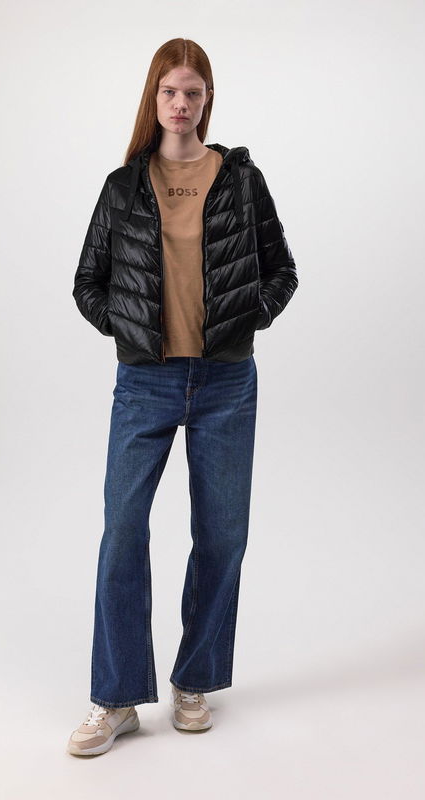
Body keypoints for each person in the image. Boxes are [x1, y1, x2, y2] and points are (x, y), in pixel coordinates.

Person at [67, 37, 297, 756]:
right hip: (146, 381)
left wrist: (249, 316)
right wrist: (129, 328)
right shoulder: (124, 186)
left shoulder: (240, 180)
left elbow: (283, 270)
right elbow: (86, 282)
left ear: (207, 100)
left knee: (222, 536)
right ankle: (116, 699)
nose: (181, 103)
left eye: (193, 92)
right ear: (154, 97)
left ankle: (194, 681)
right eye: (170, 91)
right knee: (122, 534)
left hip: (226, 380)